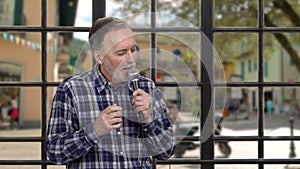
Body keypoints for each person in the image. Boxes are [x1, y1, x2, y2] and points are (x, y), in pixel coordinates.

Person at [46, 17, 175, 169]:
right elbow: (54, 152)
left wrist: (148, 119)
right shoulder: (71, 89)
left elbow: (166, 152)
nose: (131, 59)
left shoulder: (148, 87)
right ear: (99, 56)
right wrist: (94, 131)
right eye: (121, 53)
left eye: (133, 50)